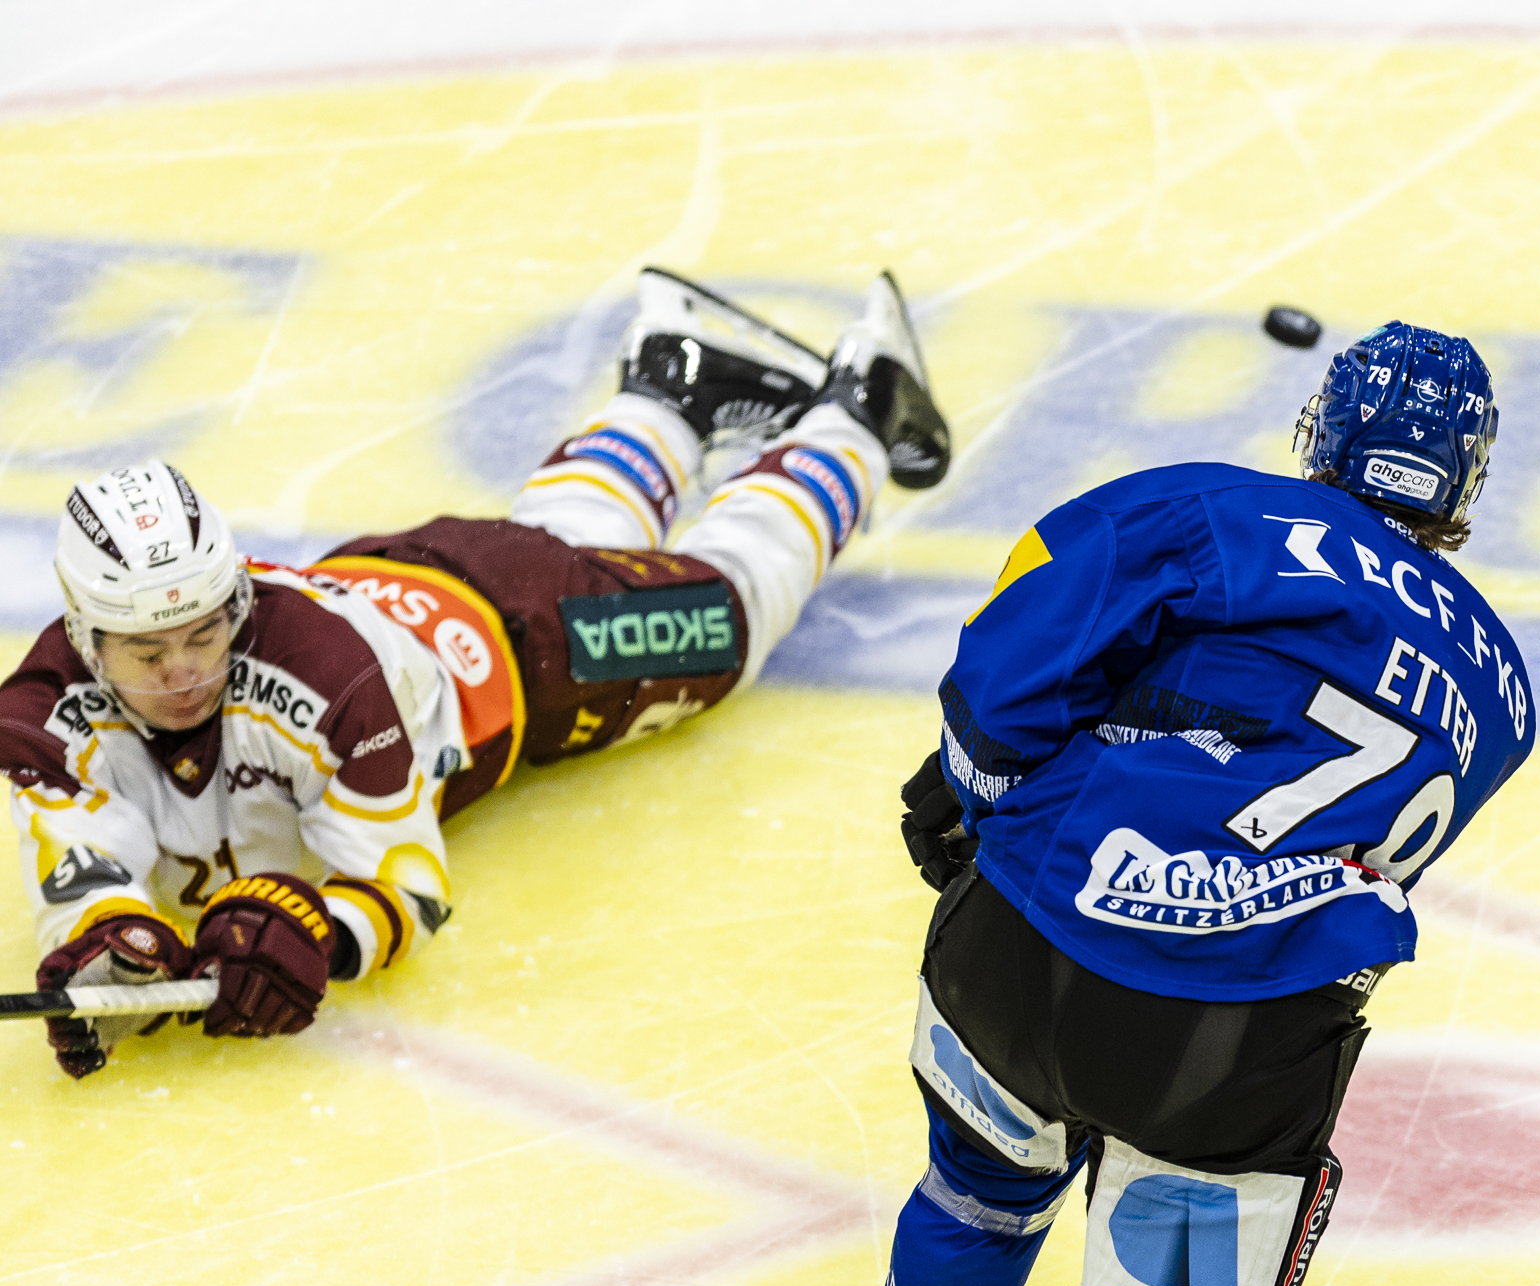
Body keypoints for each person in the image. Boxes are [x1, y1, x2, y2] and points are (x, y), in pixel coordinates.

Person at [831, 322, 1532, 1286]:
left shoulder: (1209, 505)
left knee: (983, 1177)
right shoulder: (1502, 684)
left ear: (1320, 429)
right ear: (1464, 484)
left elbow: (1014, 658)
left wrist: (976, 797)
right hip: (1234, 1050)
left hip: (1022, 950)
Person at [2, 267, 949, 1079]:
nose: (182, 673)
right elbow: (89, 875)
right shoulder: (39, 719)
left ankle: (862, 413)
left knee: (730, 611)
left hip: (540, 647)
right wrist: (111, 950)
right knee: (563, 538)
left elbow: (405, 886)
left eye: (205, 635)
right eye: (147, 652)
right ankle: (672, 388)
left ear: (237, 603)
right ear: (85, 636)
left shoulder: (334, 682)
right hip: (416, 577)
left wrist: (319, 937)